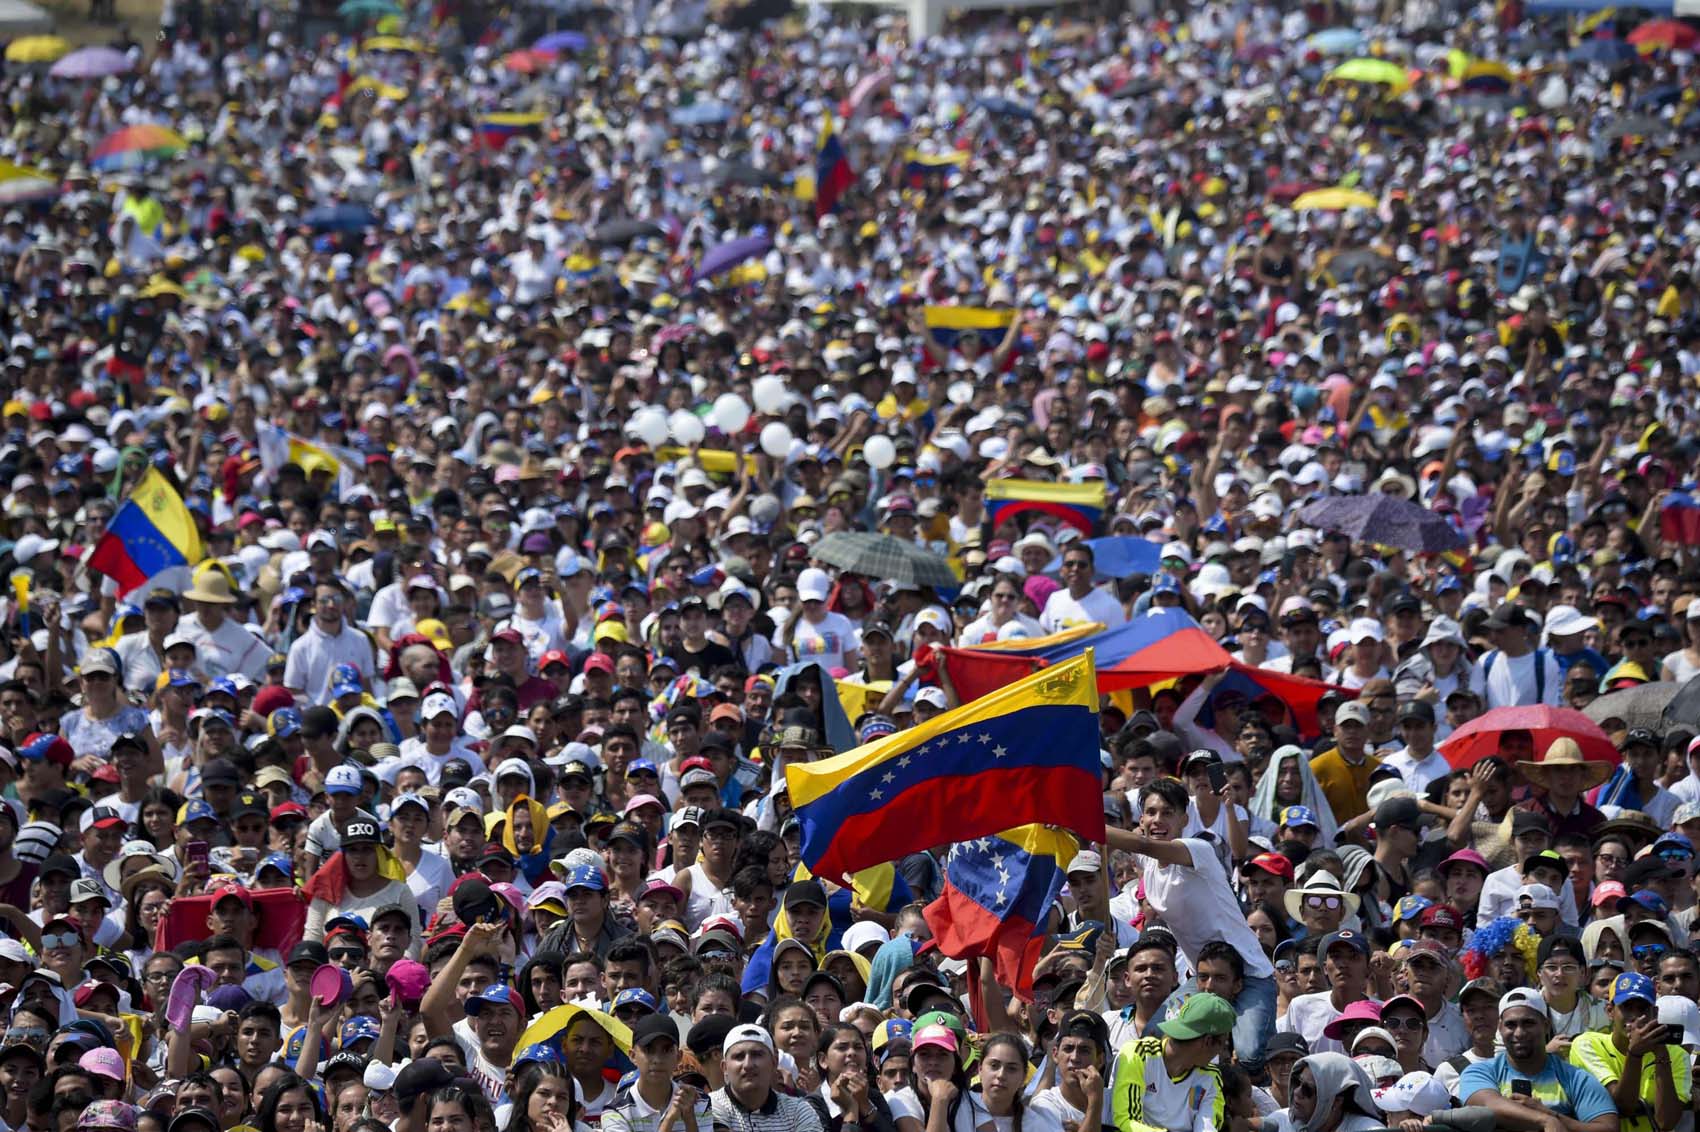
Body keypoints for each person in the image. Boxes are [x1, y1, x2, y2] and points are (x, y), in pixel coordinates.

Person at [1105, 779, 1277, 1070]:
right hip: (1203, 979)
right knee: (1154, 1038)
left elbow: (1142, 842)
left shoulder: (1197, 850)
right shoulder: (1146, 862)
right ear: (1142, 818)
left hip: (1250, 975)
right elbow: (1134, 835)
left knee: (1249, 1056)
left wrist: (1084, 826)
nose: (1158, 819)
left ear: (1184, 819)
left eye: (1168, 813)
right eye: (1151, 812)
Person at [1457, 988, 1617, 1132]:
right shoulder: (1480, 1072)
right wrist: (1544, 1120)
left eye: (1528, 1023)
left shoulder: (1575, 1078)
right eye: (1511, 1025)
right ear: (1500, 1028)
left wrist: (1552, 1115)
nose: (1519, 1033)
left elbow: (1608, 1128)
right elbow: (1487, 1105)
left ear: (1546, 1025)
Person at [1569, 972, 1690, 1132]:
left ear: (1655, 1013)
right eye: (1627, 1007)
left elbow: (1666, 1123)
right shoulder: (1587, 1045)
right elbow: (1623, 1106)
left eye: (1642, 1008)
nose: (1635, 1016)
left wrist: (1661, 1055)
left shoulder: (1676, 1055)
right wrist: (1635, 1054)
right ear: (1610, 1011)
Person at [1110, 994, 1232, 1132]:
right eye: (1222, 1044)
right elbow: (1125, 1121)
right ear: (1208, 1042)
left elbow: (1207, 1128)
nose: (1222, 1052)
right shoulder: (1137, 1054)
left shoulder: (1212, 1077)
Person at [709, 1024, 822, 1132]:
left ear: (774, 1062)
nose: (748, 1065)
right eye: (739, 1057)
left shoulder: (798, 1110)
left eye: (757, 1055)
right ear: (724, 1067)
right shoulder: (709, 1106)